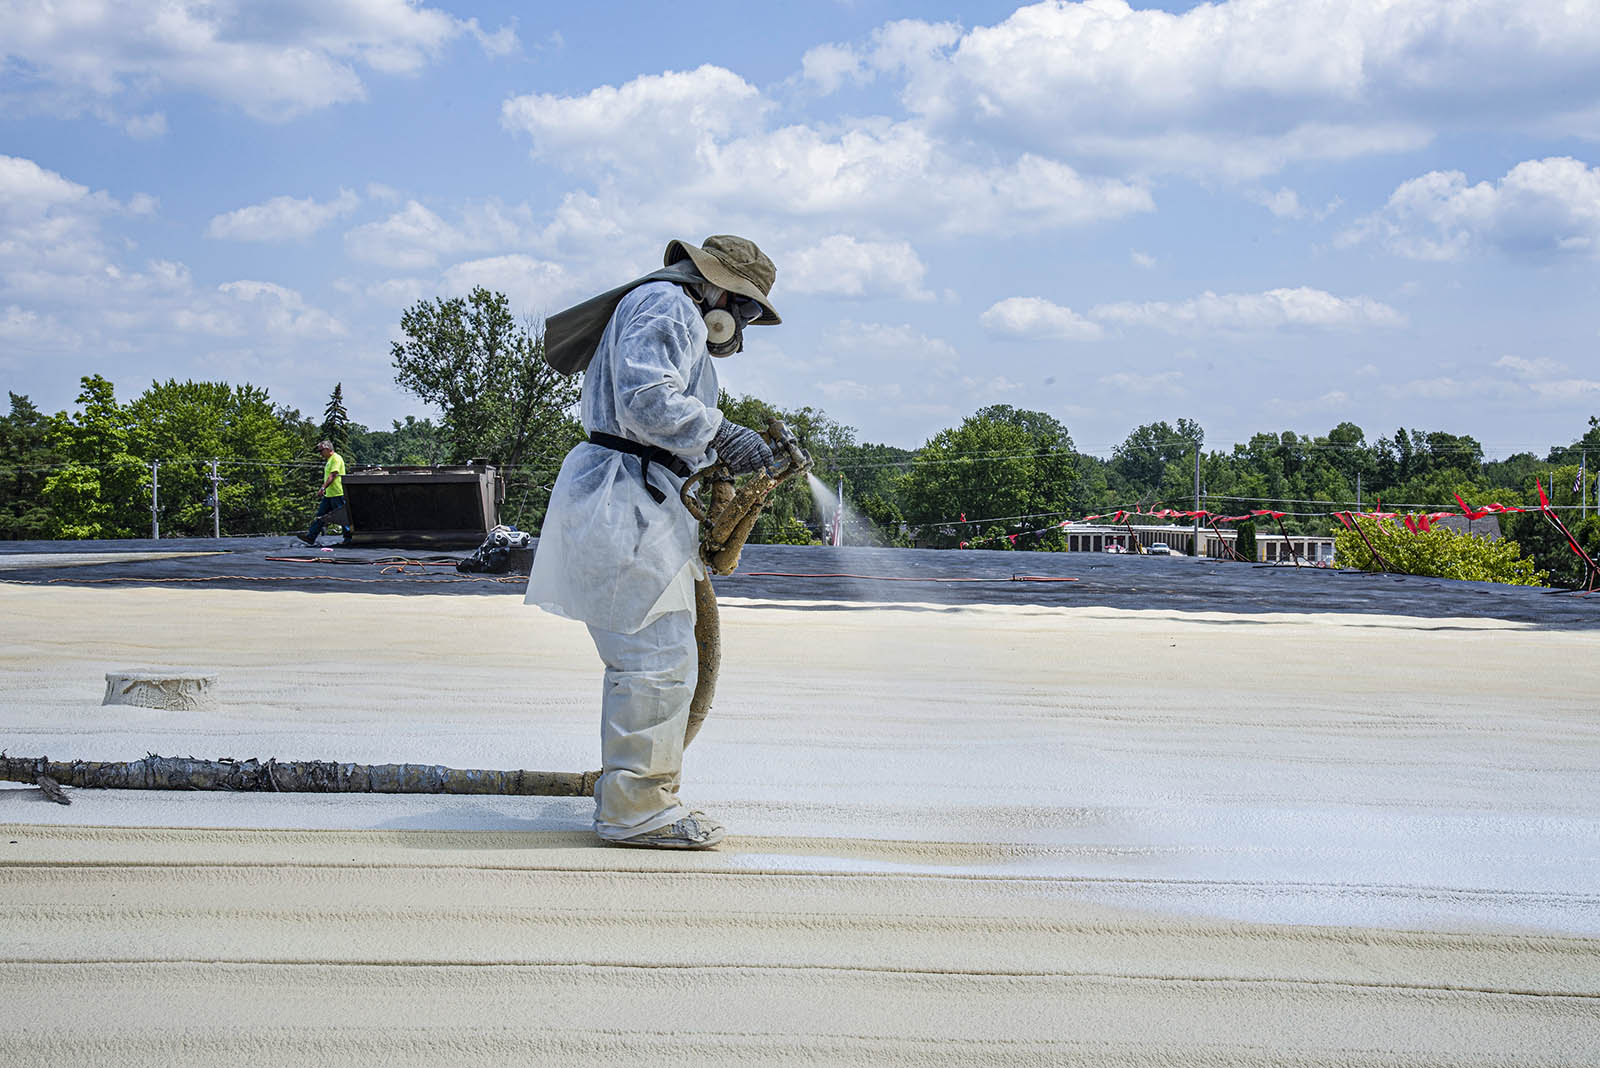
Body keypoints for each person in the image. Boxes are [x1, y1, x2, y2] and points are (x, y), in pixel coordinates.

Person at [527, 235, 781, 850]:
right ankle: (635, 809)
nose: (738, 324)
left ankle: (637, 794)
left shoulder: (658, 306)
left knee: (663, 659)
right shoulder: (671, 306)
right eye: (744, 309)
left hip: (636, 497)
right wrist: (723, 433)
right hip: (627, 501)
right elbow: (647, 402)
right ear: (718, 289)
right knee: (656, 662)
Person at [297, 440, 352, 546]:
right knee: (321, 516)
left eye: (321, 451)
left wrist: (323, 488)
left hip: (338, 493)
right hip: (329, 494)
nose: (320, 453)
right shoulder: (329, 460)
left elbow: (333, 475)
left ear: (327, 449)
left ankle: (349, 539)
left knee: (343, 517)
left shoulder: (336, 458)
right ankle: (311, 537)